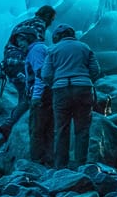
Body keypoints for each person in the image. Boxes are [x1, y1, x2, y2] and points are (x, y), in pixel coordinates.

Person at [41, 23, 99, 169]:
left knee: (61, 129)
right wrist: (85, 80)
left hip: (61, 90)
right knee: (82, 128)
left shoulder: (53, 50)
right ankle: (81, 165)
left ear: (58, 37)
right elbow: (95, 70)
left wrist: (55, 82)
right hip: (83, 89)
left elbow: (45, 74)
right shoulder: (85, 47)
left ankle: (60, 167)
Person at [0, 5, 55, 140]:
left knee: (22, 95)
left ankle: (12, 123)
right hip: (21, 62)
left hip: (9, 62)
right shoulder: (38, 24)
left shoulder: (23, 23)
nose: (51, 23)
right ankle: (10, 125)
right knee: (28, 96)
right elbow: (36, 48)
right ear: (47, 17)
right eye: (51, 19)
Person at [22, 35, 53, 164]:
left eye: (21, 40)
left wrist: (36, 96)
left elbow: (40, 75)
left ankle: (37, 162)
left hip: (42, 95)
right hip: (48, 93)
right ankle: (50, 159)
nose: (19, 44)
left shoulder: (35, 50)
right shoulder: (40, 48)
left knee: (37, 127)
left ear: (29, 39)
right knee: (48, 127)